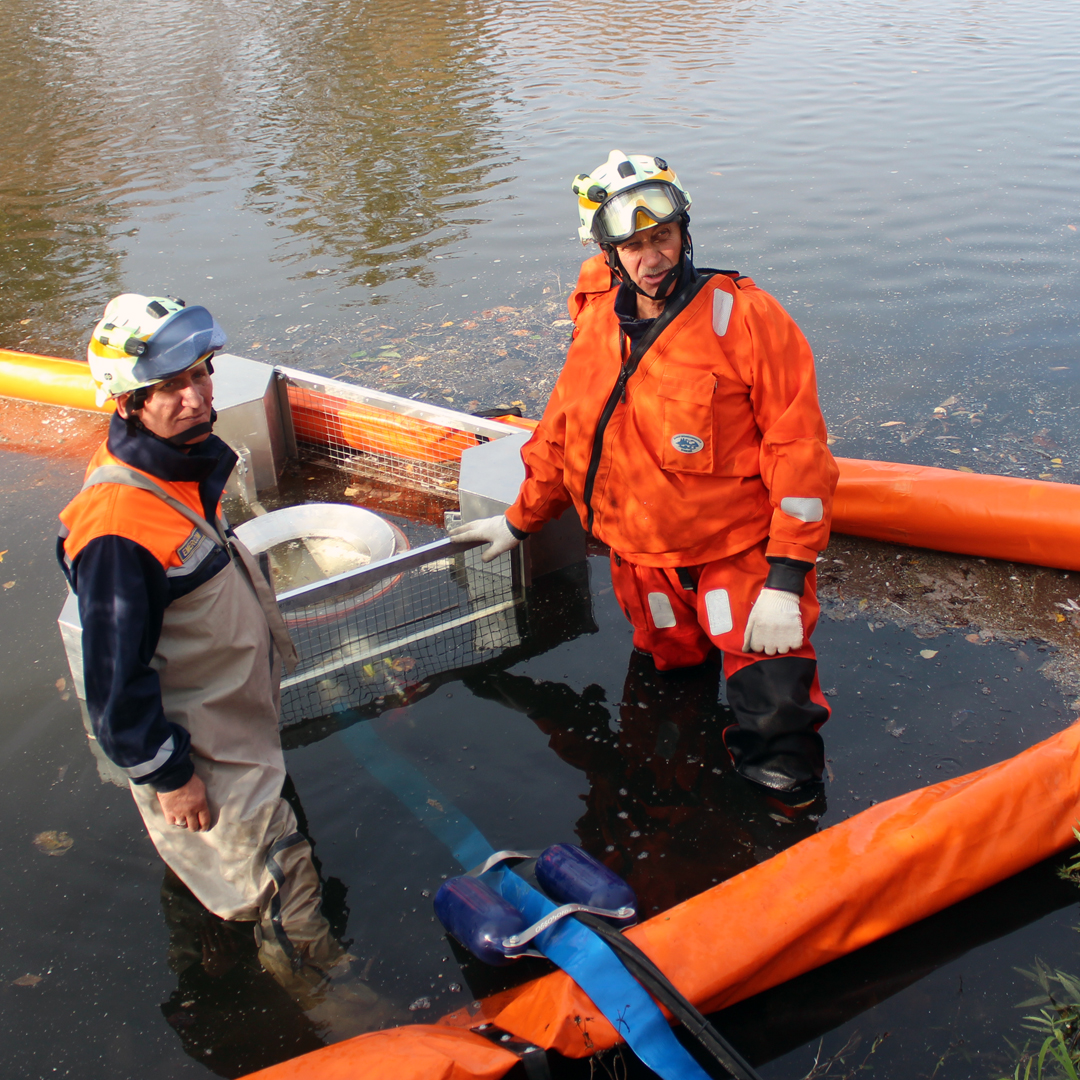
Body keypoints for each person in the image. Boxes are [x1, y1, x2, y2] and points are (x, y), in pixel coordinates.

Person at [452, 151, 839, 796]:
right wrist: (519, 522)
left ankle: (784, 835)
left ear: (685, 231)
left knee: (779, 734)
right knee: (666, 692)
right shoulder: (598, 323)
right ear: (608, 253)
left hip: (734, 558)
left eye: (661, 237)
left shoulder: (745, 319)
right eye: (631, 245)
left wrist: (785, 578)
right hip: (641, 561)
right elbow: (566, 432)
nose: (651, 258)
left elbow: (799, 450)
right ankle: (669, 813)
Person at [57, 295, 390, 1025]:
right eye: (171, 387)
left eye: (201, 374)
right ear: (127, 401)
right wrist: (171, 778)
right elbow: (114, 682)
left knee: (229, 872)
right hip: (205, 752)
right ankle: (340, 1008)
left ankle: (215, 954)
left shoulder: (177, 467)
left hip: (236, 724)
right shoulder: (117, 524)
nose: (196, 395)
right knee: (283, 882)